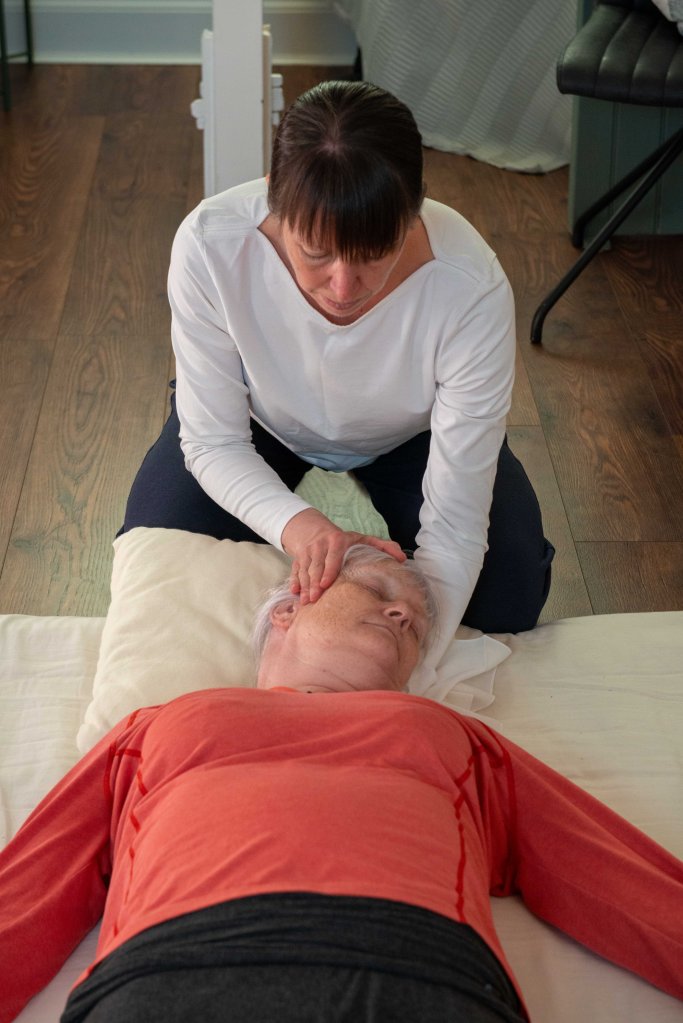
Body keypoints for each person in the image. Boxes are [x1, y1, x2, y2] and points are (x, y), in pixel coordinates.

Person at [0, 546, 680, 1023]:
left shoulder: (445, 731)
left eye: (414, 625)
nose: (399, 615)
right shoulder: (165, 723)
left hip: (416, 973)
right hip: (175, 969)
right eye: (380, 593)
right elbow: (34, 887)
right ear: (288, 610)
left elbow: (604, 874)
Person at [121, 79, 555, 666]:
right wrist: (300, 530)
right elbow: (215, 440)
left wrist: (402, 671)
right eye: (317, 252)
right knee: (164, 561)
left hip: (412, 434)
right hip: (256, 422)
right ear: (276, 198)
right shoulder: (210, 244)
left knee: (508, 596)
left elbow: (455, 528)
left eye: (376, 253)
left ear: (413, 211)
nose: (343, 289)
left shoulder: (469, 286)